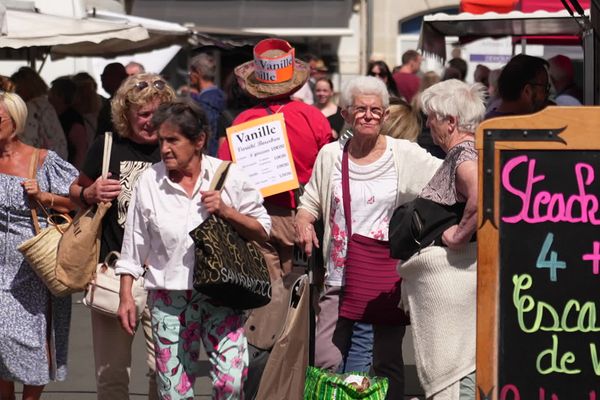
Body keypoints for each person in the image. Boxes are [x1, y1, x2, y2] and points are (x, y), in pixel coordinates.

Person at [295, 76, 442, 400]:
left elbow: (446, 178)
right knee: (326, 358)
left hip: (385, 275)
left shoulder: (404, 154)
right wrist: (304, 221)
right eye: (360, 109)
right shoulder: (331, 155)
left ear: (386, 115)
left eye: (377, 110)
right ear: (345, 114)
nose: (369, 116)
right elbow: (309, 203)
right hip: (338, 274)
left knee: (386, 360)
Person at [115, 99, 270, 399]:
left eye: (173, 140)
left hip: (222, 294)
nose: (164, 149)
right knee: (174, 391)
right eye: (161, 140)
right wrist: (125, 297)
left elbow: (263, 229)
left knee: (231, 382)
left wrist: (226, 211)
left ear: (198, 141)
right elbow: (133, 246)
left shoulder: (229, 176)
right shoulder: (149, 181)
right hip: (168, 299)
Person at [217, 38, 332, 397]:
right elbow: (327, 167)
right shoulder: (311, 117)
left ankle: (262, 384)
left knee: (264, 307)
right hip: (304, 218)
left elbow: (224, 174)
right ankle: (299, 379)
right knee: (308, 301)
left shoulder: (243, 122)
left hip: (256, 220)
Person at [69, 73, 176, 400]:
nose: (150, 122)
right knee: (112, 376)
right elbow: (74, 191)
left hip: (167, 278)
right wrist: (89, 191)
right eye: (142, 114)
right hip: (115, 276)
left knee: (166, 373)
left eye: (157, 114)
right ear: (125, 114)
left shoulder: (175, 148)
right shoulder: (107, 145)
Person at [394, 79, 484, 400]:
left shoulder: (464, 153)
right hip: (454, 285)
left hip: (453, 283)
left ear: (452, 121)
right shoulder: (471, 150)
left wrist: (459, 236)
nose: (428, 123)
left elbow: (479, 194)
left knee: (457, 370)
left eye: (432, 116)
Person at [0, 86, 78, 400]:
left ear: (14, 121)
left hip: (34, 267)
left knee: (33, 340)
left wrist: (46, 197)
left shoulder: (43, 160)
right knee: (1, 338)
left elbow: (79, 201)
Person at [10, 67, 68, 160]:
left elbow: (27, 141)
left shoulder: (31, 108)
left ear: (28, 88)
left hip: (37, 164)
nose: (15, 95)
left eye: (17, 91)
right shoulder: (46, 106)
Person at [485, 54, 550, 119]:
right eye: (546, 88)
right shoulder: (525, 126)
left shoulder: (483, 123)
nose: (548, 95)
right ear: (528, 91)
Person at [189, 52, 226, 156]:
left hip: (210, 158)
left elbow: (209, 136)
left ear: (198, 72)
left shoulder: (203, 104)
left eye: (190, 72)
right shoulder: (223, 96)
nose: (189, 76)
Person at [48, 76, 89, 169]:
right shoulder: (52, 116)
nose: (49, 96)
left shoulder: (73, 119)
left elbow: (81, 151)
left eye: (52, 92)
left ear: (61, 95)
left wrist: (75, 176)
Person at [96, 63, 128, 137]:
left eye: (105, 77)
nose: (102, 80)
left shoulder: (128, 103)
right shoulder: (108, 103)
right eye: (102, 77)